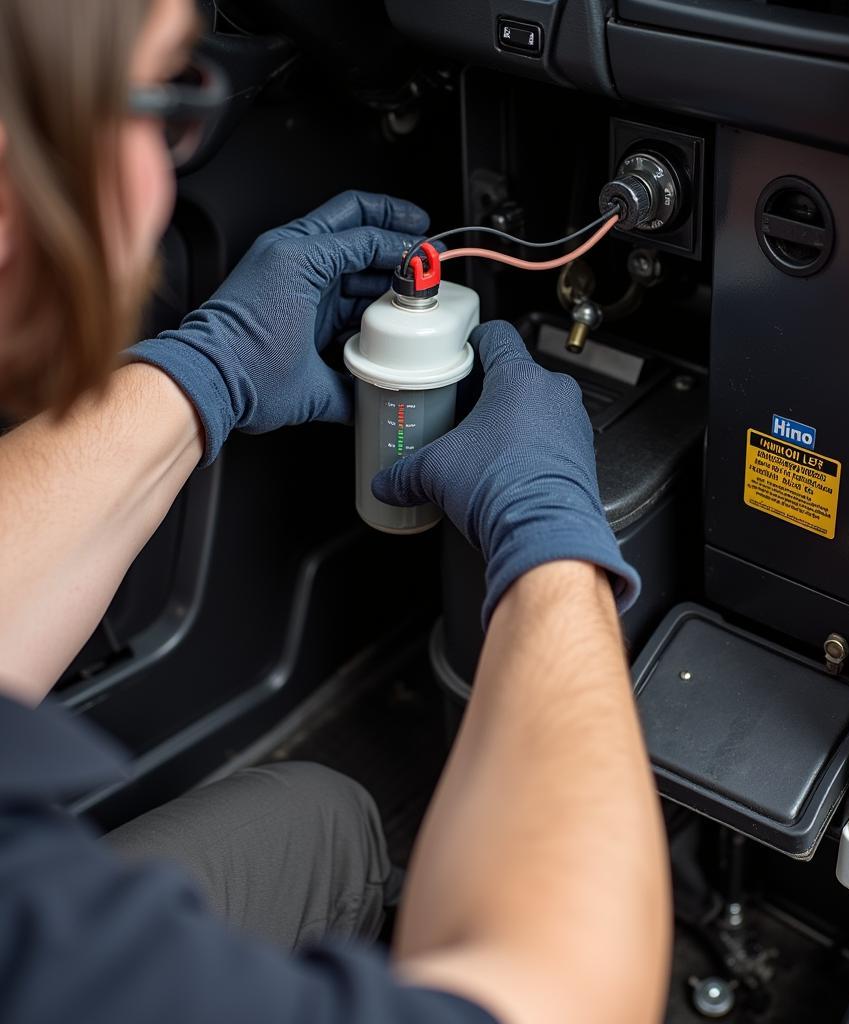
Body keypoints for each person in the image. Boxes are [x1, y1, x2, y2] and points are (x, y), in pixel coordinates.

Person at [0, 0, 671, 1021]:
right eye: (156, 105)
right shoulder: (49, 942)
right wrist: (549, 540)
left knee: (321, 821)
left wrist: (209, 365)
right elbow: (564, 1000)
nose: (161, 173)